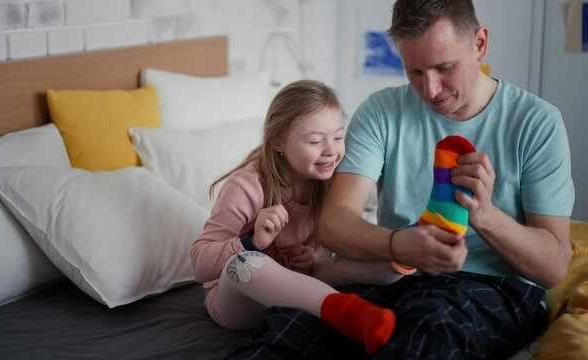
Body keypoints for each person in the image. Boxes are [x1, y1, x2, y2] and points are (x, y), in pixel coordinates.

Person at [227, 1, 575, 359]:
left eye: (444, 68)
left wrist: (486, 215)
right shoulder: (381, 112)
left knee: (428, 337)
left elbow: (553, 267)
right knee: (291, 328)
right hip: (393, 276)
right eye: (414, 72)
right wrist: (398, 245)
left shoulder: (537, 122)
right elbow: (335, 223)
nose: (430, 89)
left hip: (491, 287)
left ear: (480, 43)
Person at [190, 80, 413, 355]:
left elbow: (326, 250)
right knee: (248, 264)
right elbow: (200, 264)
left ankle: (412, 250)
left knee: (375, 256)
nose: (331, 150)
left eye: (339, 136)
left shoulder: (330, 179)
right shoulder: (246, 186)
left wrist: (313, 256)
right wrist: (251, 242)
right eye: (316, 141)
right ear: (278, 142)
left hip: (301, 282)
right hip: (239, 304)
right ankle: (348, 312)